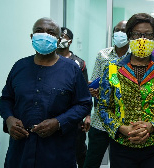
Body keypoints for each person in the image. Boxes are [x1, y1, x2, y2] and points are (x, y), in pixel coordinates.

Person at [0, 17, 92, 168]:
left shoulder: (72, 69)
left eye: (50, 32)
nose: (44, 35)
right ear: (31, 37)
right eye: (39, 31)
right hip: (20, 151)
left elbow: (84, 104)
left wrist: (59, 122)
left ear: (58, 39)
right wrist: (9, 119)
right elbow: (6, 99)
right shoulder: (19, 67)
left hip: (57, 152)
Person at [98, 13, 154, 168]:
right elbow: (104, 107)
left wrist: (151, 127)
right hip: (122, 147)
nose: (143, 39)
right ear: (129, 36)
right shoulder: (112, 69)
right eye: (137, 34)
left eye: (148, 35)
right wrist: (122, 129)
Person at [83, 20, 130, 168]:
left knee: (120, 162)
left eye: (124, 30)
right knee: (91, 161)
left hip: (124, 122)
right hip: (100, 121)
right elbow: (95, 79)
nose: (120, 33)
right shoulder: (103, 55)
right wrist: (93, 89)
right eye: (117, 30)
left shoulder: (134, 57)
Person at [56, 27, 90, 168]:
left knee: (79, 153)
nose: (59, 39)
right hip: (53, 116)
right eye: (58, 36)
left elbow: (85, 93)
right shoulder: (48, 59)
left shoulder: (79, 64)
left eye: (62, 36)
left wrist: (87, 116)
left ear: (69, 41)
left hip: (75, 118)